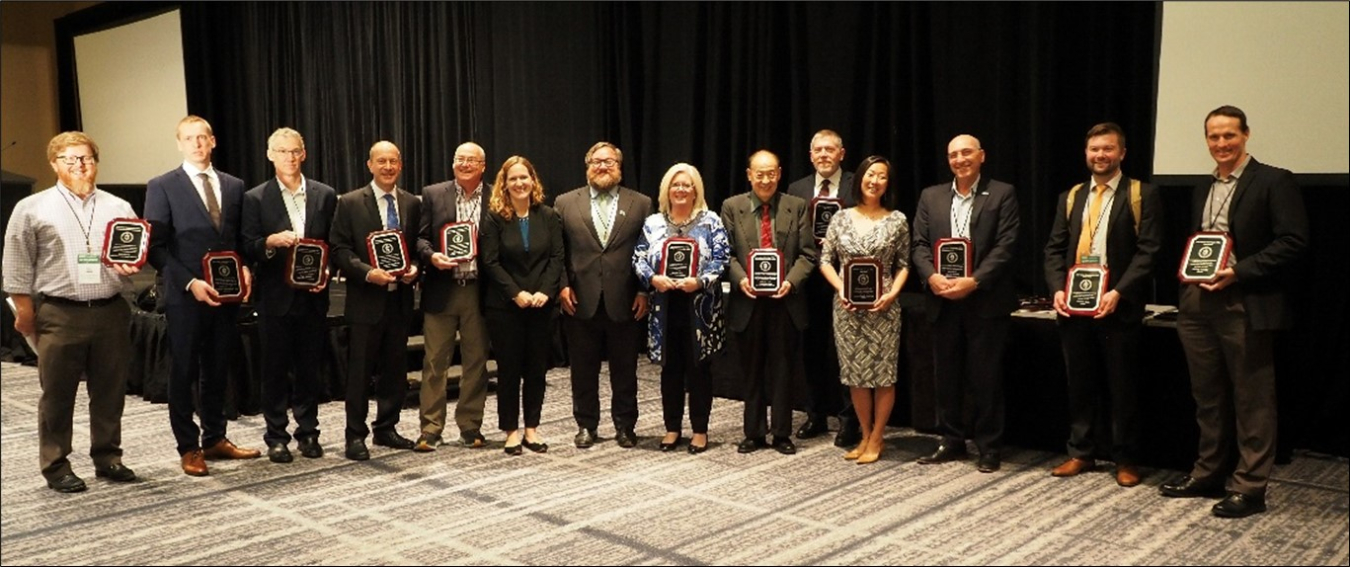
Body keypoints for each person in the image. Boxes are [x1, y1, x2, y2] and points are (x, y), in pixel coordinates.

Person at [1160, 106, 1308, 518]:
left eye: (1229, 135)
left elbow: (1294, 241)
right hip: (1196, 301)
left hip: (1244, 300)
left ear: (1246, 135)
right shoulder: (1203, 186)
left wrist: (1238, 272)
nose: (1221, 144)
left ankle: (1250, 487)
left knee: (1252, 398)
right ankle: (1208, 473)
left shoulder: (1274, 180)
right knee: (1207, 395)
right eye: (1213, 137)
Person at [3, 132, 140, 492]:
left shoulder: (119, 207)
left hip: (110, 310)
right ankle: (55, 464)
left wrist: (130, 270)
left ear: (95, 162)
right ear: (54, 165)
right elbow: (16, 267)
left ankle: (108, 456)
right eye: (70, 159)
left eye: (86, 158)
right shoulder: (31, 208)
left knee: (110, 392)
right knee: (57, 396)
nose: (79, 165)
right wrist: (24, 312)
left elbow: (131, 257)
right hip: (59, 313)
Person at [1043, 123, 1163, 487]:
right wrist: (1056, 290)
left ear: (1122, 153)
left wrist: (1120, 292)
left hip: (1118, 306)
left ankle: (1124, 458)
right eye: (1094, 149)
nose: (1100, 155)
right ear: (1086, 153)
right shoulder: (1072, 196)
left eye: (1108, 149)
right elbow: (1053, 249)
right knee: (1080, 382)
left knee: (1122, 386)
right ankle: (1081, 451)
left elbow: (1150, 250)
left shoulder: (1142, 194)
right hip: (1075, 306)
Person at [146, 116, 261, 476]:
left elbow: (239, 238)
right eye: (189, 138)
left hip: (226, 295)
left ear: (213, 141)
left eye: (202, 137)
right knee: (183, 372)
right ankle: (188, 447)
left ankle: (214, 438)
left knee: (217, 368)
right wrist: (190, 283)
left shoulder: (233, 185)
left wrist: (244, 267)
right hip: (186, 296)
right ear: (179, 143)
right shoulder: (162, 185)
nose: (196, 144)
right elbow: (157, 248)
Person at [911, 134, 1020, 473]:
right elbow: (918, 245)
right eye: (954, 155)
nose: (960, 159)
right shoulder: (931, 196)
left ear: (981, 156)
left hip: (984, 300)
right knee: (946, 376)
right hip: (942, 299)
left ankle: (988, 446)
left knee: (985, 377)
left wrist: (973, 281)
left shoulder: (1002, 193)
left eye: (967, 153)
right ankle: (952, 440)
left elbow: (1005, 245)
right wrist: (931, 277)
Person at [240, 127, 338, 463]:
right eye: (282, 152)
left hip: (313, 297)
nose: (290, 158)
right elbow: (248, 246)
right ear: (270, 155)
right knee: (275, 370)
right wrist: (269, 243)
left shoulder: (325, 195)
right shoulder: (254, 198)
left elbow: (334, 245)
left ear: (305, 153)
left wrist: (327, 272)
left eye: (295, 151)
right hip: (274, 298)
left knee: (310, 368)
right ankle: (276, 435)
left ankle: (308, 432)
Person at [555, 142, 653, 449]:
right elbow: (557, 252)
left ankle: (625, 425)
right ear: (587, 167)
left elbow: (649, 251)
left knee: (625, 369)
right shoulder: (565, 202)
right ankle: (586, 425)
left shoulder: (641, 203)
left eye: (610, 162)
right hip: (579, 300)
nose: (603, 167)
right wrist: (561, 286)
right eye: (597, 162)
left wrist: (643, 290)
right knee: (583, 370)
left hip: (625, 300)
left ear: (620, 168)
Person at [721, 150, 817, 456]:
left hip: (784, 301)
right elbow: (725, 254)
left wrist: (790, 281)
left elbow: (808, 254)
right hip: (747, 300)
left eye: (771, 173)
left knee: (783, 368)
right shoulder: (732, 206)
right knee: (751, 370)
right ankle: (754, 433)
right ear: (749, 175)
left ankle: (781, 433)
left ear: (779, 173)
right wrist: (740, 280)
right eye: (759, 174)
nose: (765, 179)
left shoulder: (796, 206)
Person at [330, 141, 422, 461]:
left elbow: (417, 246)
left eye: (393, 161)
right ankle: (355, 435)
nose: (387, 167)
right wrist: (369, 274)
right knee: (359, 374)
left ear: (400, 165)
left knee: (395, 371)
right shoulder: (351, 202)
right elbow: (339, 250)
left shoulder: (411, 203)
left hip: (400, 301)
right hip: (366, 301)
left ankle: (387, 427)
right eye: (381, 161)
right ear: (369, 165)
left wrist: (415, 269)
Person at [818, 156, 910, 464]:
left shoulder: (897, 219)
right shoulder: (840, 218)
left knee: (883, 376)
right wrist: (841, 287)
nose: (875, 181)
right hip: (847, 308)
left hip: (883, 308)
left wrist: (892, 294)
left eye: (882, 176)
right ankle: (866, 434)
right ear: (860, 178)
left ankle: (878, 436)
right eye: (871, 174)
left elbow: (905, 264)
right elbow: (825, 261)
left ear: (888, 183)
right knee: (855, 375)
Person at [633, 163, 730, 455]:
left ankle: (700, 430)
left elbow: (722, 259)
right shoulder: (653, 223)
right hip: (664, 308)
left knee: (699, 371)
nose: (681, 190)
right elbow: (638, 259)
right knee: (670, 371)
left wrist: (699, 281)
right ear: (667, 190)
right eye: (675, 185)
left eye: (687, 185)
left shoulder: (710, 221)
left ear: (696, 190)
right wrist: (653, 279)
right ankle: (672, 428)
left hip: (699, 308)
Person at [479, 156, 565, 456]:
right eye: (513, 178)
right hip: (506, 307)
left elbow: (557, 259)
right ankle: (511, 432)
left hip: (542, 306)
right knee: (509, 370)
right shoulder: (493, 218)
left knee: (536, 370)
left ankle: (532, 429)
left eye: (524, 177)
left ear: (533, 180)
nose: (519, 183)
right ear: (504, 183)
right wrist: (516, 293)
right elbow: (489, 261)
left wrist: (545, 291)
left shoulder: (549, 215)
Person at [786, 129, 862, 448]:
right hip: (809, 281)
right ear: (811, 154)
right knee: (812, 350)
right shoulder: (798, 188)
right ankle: (815, 414)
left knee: (847, 351)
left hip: (847, 280)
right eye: (818, 150)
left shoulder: (856, 184)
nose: (824, 155)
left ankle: (849, 419)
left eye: (830, 149)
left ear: (841, 154)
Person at [414, 142, 492, 451]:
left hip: (479, 289)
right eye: (460, 158)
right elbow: (419, 238)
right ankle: (430, 429)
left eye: (472, 160)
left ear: (483, 166)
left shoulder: (496, 195)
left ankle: (470, 427)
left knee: (476, 362)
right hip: (441, 288)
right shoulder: (433, 194)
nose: (465, 164)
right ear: (452, 163)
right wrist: (431, 256)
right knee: (435, 362)